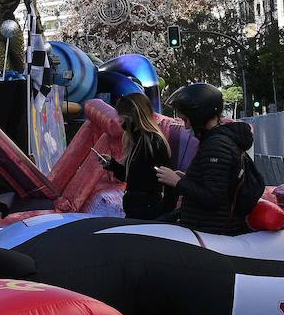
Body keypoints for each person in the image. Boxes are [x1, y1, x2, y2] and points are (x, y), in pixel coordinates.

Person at [155, 83, 256, 235]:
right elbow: (215, 183)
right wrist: (188, 179)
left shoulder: (216, 146)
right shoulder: (216, 141)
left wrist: (177, 182)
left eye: (186, 120)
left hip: (211, 232)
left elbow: (213, 198)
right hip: (208, 229)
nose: (187, 127)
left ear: (198, 116)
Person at [96, 93, 178, 221]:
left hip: (147, 209)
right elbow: (134, 177)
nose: (119, 120)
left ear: (132, 116)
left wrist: (164, 215)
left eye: (121, 116)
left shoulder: (152, 142)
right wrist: (112, 165)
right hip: (137, 206)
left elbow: (167, 181)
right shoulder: (136, 140)